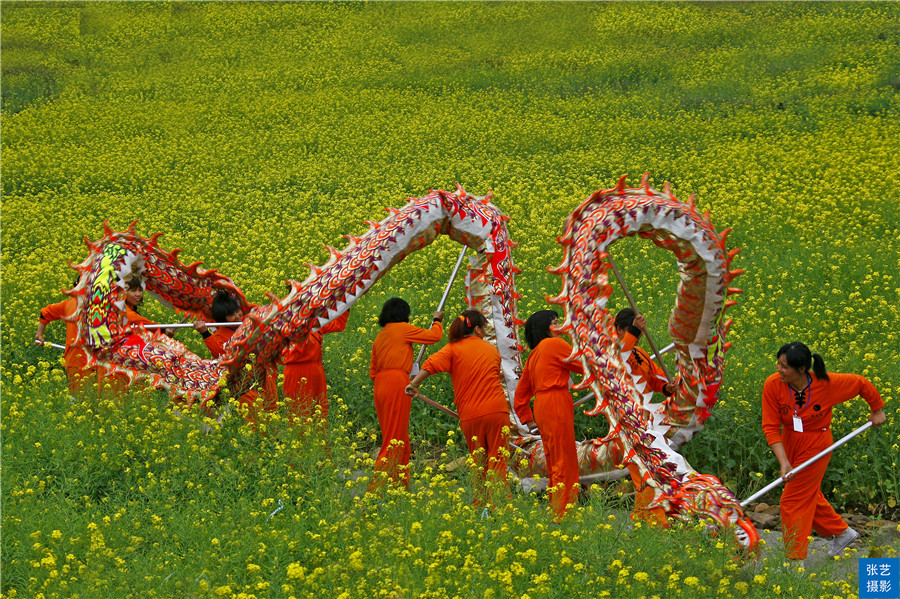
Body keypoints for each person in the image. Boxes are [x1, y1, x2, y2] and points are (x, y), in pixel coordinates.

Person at [762, 341, 886, 560]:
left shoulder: (826, 383)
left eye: (784, 366)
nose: (779, 369)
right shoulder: (773, 384)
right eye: (778, 363)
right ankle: (842, 533)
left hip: (817, 443)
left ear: (801, 369)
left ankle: (794, 560)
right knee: (806, 493)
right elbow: (771, 427)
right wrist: (783, 462)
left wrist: (877, 410)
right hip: (789, 440)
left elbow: (860, 383)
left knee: (792, 501)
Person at [406, 309, 512, 504]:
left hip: (470, 415)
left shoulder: (452, 349)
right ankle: (500, 507)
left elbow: (430, 365)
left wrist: (414, 385)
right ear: (478, 329)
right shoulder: (492, 350)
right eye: (485, 327)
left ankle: (480, 505)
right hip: (497, 411)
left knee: (479, 463)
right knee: (498, 461)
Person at [513, 309, 583, 519]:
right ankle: (564, 511)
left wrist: (528, 419)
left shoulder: (534, 354)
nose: (559, 326)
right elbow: (583, 365)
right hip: (556, 401)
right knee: (565, 458)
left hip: (542, 406)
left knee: (554, 458)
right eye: (555, 322)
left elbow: (520, 395)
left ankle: (557, 505)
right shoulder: (555, 344)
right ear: (546, 327)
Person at [369, 297, 443, 487]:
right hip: (396, 382)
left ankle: (400, 484)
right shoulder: (402, 328)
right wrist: (437, 321)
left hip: (380, 384)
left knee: (398, 436)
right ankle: (376, 490)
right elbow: (434, 337)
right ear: (403, 314)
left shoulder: (380, 336)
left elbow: (372, 372)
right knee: (395, 437)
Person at [193, 290, 279, 419]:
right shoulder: (220, 335)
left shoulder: (248, 323)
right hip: (243, 381)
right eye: (231, 315)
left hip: (262, 375)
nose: (237, 316)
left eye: (237, 311)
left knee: (271, 411)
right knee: (253, 415)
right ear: (223, 319)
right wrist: (205, 333)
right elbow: (221, 354)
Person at [281, 309, 350, 426]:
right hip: (296, 371)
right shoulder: (285, 319)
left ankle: (321, 443)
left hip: (316, 371)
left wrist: (347, 302)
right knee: (299, 417)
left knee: (320, 414)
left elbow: (337, 324)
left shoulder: (316, 320)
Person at [35, 279, 95, 394]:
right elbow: (45, 313)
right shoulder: (69, 304)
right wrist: (39, 334)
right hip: (77, 362)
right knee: (80, 400)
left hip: (100, 360)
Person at [613, 308, 677, 397]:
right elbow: (620, 354)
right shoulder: (609, 352)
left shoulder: (639, 352)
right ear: (619, 329)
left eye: (640, 330)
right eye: (630, 329)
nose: (638, 334)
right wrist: (635, 329)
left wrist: (666, 387)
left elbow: (655, 379)